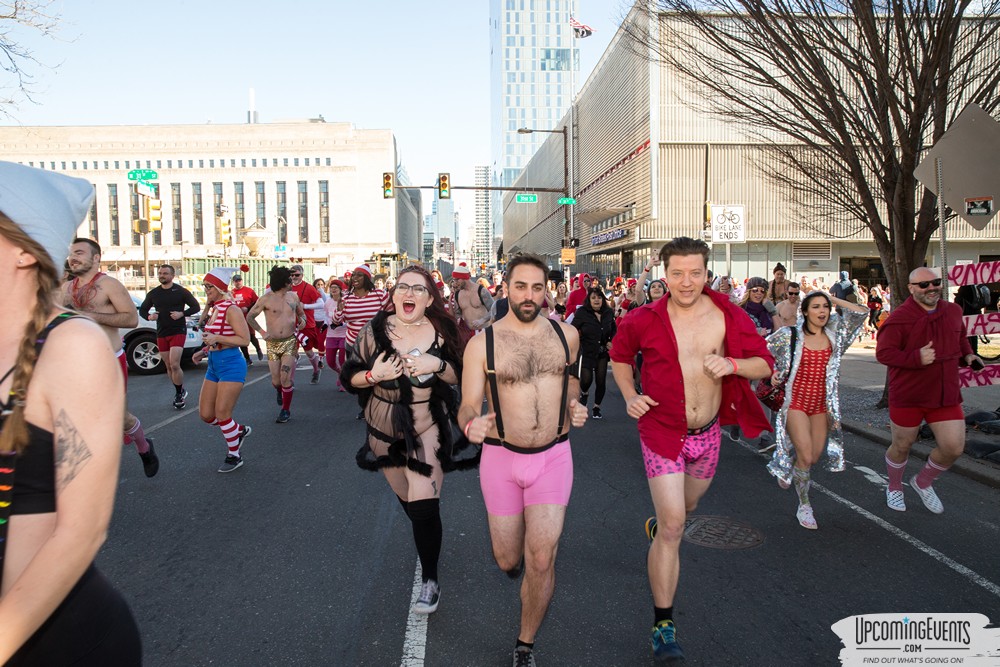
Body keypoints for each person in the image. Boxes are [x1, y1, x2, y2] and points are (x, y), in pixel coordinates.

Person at [0, 161, 142, 664]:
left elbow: (81, 531)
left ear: (24, 250)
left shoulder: (70, 344)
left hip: (54, 640)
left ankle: (141, 438)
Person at [609, 237, 773, 664]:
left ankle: (661, 524)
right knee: (675, 527)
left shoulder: (727, 314)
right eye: (678, 273)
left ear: (707, 272)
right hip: (661, 431)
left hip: (708, 434)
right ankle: (663, 624)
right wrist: (629, 393)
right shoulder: (644, 318)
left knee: (688, 507)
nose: (686, 282)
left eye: (695, 273)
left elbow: (763, 364)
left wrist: (733, 365)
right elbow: (620, 356)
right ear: (665, 274)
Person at [459, 254, 588, 667]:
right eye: (520, 287)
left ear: (546, 291)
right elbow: (465, 405)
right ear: (505, 289)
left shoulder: (567, 335)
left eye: (537, 287)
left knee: (541, 558)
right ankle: (518, 569)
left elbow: (570, 383)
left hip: (554, 457)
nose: (529, 295)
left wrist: (575, 405)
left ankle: (525, 644)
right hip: (501, 460)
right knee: (507, 560)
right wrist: (470, 426)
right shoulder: (483, 344)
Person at [340, 266, 475, 617]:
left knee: (424, 504)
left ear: (429, 298)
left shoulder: (443, 331)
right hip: (383, 431)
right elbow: (348, 375)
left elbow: (462, 373)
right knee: (410, 501)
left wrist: (437, 365)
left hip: (427, 423)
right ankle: (426, 529)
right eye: (403, 287)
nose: (409, 293)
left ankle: (430, 579)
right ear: (394, 294)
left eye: (418, 288)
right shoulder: (374, 331)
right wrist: (373, 375)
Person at [875, 268, 984, 514]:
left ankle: (922, 482)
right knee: (902, 445)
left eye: (935, 282)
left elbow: (960, 338)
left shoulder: (954, 310)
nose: (931, 288)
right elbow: (883, 353)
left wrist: (968, 355)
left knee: (953, 447)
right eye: (924, 285)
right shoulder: (899, 318)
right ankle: (894, 486)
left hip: (945, 394)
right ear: (911, 288)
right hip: (909, 394)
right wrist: (916, 357)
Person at [764, 290, 869, 528]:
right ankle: (804, 505)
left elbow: (862, 313)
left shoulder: (836, 336)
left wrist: (833, 300)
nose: (822, 311)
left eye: (825, 307)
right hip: (796, 404)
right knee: (806, 455)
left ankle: (789, 461)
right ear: (804, 311)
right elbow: (763, 352)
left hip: (821, 406)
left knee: (812, 456)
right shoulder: (789, 335)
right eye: (816, 307)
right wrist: (773, 373)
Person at [64, 238, 160, 478]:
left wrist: (91, 316)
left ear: (96, 258)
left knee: (118, 417)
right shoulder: (65, 288)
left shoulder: (109, 285)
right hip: (77, 363)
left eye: (79, 252)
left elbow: (130, 319)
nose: (72, 257)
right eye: (71, 253)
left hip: (109, 360)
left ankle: (144, 447)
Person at [196, 268, 253, 472]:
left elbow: (244, 340)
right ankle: (237, 431)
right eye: (205, 286)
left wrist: (217, 339)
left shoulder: (231, 309)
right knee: (206, 415)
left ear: (220, 287)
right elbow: (214, 337)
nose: (206, 290)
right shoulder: (215, 308)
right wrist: (203, 351)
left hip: (231, 364)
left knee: (222, 414)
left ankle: (234, 455)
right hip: (213, 364)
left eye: (209, 286)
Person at [247, 265, 305, 424]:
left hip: (289, 342)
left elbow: (301, 313)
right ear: (282, 282)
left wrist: (303, 322)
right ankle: (280, 390)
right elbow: (250, 317)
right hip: (272, 344)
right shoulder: (265, 299)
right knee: (276, 381)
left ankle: (285, 410)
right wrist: (262, 332)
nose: (292, 282)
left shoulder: (293, 297)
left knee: (286, 378)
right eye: (289, 279)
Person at [139, 263, 201, 408]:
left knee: (174, 364)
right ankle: (179, 389)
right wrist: (150, 317)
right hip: (162, 332)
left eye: (165, 273)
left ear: (172, 276)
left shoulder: (180, 291)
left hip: (178, 330)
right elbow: (143, 310)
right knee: (168, 365)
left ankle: (179, 395)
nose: (162, 275)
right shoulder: (154, 293)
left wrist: (182, 313)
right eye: (160, 273)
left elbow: (196, 306)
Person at [572, 287, 616, 420]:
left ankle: (596, 407)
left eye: (599, 297)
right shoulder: (582, 313)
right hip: (586, 350)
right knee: (586, 380)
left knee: (601, 381)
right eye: (593, 298)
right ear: (589, 300)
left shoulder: (608, 312)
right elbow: (573, 329)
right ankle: (584, 393)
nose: (597, 300)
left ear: (603, 299)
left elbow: (613, 329)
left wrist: (611, 341)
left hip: (602, 352)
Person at [288, 264, 324, 385]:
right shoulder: (286, 287)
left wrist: (306, 306)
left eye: (296, 275)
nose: (294, 277)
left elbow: (321, 304)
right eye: (292, 275)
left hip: (306, 325)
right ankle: (290, 381)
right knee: (292, 354)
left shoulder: (309, 288)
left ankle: (316, 370)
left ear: (302, 275)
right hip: (290, 326)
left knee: (308, 352)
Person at [451, 262, 494, 344]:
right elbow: (458, 314)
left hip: (483, 332)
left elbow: (494, 309)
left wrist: (482, 320)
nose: (455, 282)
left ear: (464, 278)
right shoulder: (457, 294)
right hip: (467, 333)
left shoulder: (481, 291)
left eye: (457, 279)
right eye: (454, 280)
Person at [230, 271, 263, 365]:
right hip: (237, 319)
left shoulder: (249, 291)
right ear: (233, 282)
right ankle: (247, 358)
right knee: (241, 338)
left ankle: (258, 349)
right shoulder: (231, 293)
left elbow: (257, 302)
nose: (238, 282)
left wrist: (248, 308)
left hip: (247, 317)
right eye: (236, 281)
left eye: (239, 280)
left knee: (252, 336)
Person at [324, 279, 349, 391]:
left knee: (342, 361)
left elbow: (349, 318)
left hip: (343, 335)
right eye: (331, 287)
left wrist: (341, 323)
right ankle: (340, 373)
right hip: (331, 335)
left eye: (336, 287)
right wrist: (327, 324)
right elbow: (326, 316)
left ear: (340, 290)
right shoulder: (328, 302)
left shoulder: (345, 302)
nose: (333, 289)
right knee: (330, 361)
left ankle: (344, 382)